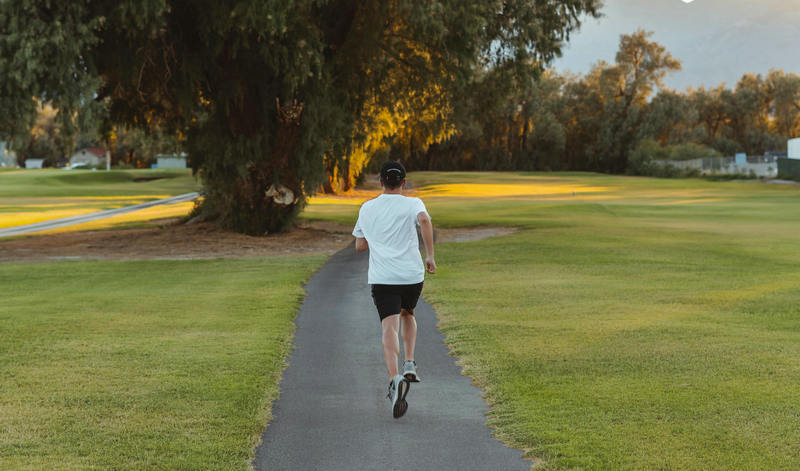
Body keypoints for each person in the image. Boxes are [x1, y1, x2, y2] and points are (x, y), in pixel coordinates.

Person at [352, 161, 436, 419]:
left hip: (383, 277)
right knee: (408, 313)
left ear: (380, 182)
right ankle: (409, 362)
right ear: (404, 182)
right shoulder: (413, 204)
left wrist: (375, 240)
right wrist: (430, 255)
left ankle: (394, 378)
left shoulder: (367, 207)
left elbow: (359, 245)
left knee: (389, 326)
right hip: (411, 275)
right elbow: (424, 219)